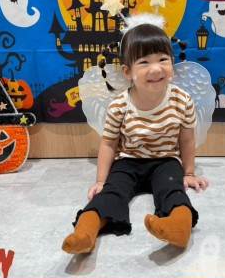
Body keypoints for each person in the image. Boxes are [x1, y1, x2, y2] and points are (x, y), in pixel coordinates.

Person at [62, 18, 209, 254]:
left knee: (173, 190)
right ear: (128, 72)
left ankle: (179, 228)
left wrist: (189, 172)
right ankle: (85, 232)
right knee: (111, 192)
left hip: (166, 160)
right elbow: (108, 144)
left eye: (163, 59)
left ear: (172, 63)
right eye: (144, 62)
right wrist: (100, 180)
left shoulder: (182, 100)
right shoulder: (120, 105)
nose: (156, 68)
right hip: (128, 161)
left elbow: (186, 140)